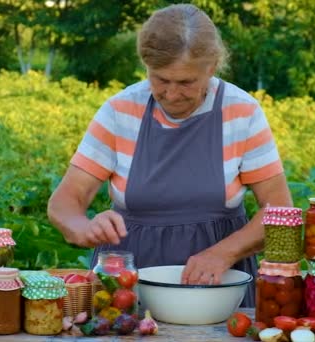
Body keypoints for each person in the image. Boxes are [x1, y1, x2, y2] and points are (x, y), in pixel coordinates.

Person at [47, 3, 293, 307]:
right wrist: (83, 227)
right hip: (126, 290)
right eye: (160, 80)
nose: (172, 94)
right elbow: (64, 202)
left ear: (212, 66)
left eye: (186, 82)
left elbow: (281, 212)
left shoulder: (242, 113)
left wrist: (223, 253)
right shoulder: (120, 111)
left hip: (217, 292)